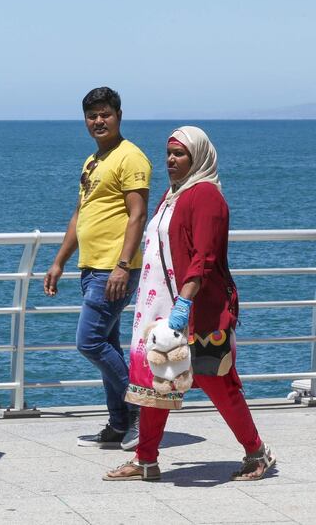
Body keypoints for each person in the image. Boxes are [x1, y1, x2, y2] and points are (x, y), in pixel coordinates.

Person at [105, 126, 276, 481]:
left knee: (218, 383)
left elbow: (205, 257)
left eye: (179, 153)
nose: (170, 159)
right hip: (160, 310)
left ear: (198, 157)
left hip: (199, 312)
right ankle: (146, 461)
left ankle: (257, 453)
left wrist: (184, 304)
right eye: (168, 152)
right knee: (157, 384)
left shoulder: (206, 196)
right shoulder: (172, 195)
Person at [44, 87, 151, 450]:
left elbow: (138, 214)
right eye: (92, 116)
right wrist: (59, 261)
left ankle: (142, 411)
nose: (98, 121)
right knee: (107, 345)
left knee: (88, 342)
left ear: (119, 115)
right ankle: (119, 424)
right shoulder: (92, 161)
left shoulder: (131, 157)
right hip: (90, 267)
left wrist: (123, 265)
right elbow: (81, 214)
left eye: (105, 114)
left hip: (113, 269)